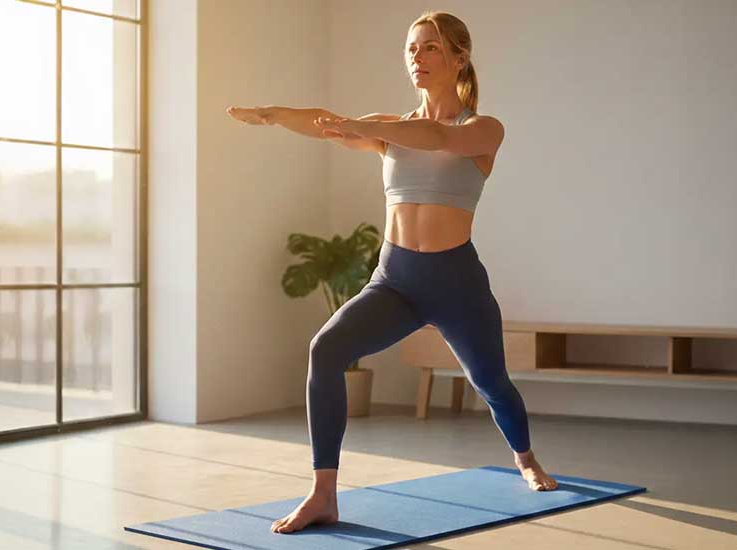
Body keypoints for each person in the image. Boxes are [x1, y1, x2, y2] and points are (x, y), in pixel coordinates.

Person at [226, 10, 558, 535]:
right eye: (411, 49)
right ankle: (323, 494)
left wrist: (362, 126)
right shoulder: (390, 129)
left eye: (429, 47)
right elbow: (324, 119)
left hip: (456, 283)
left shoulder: (482, 129)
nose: (417, 58)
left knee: (491, 383)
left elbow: (435, 138)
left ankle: (525, 456)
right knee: (325, 349)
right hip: (395, 278)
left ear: (459, 56)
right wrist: (272, 113)